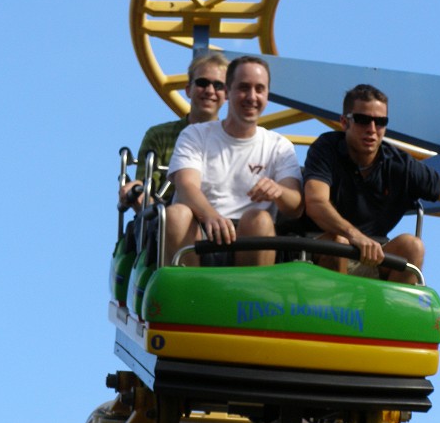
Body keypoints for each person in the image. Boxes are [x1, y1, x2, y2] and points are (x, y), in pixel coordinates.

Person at [303, 84, 440, 305]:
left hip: (373, 255)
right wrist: (355, 236)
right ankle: (338, 316)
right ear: (345, 122)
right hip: (322, 255)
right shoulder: (326, 148)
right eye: (363, 120)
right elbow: (315, 201)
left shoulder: (399, 165)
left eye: (380, 122)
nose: (372, 128)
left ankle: (387, 316)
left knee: (413, 246)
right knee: (339, 243)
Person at [165, 55, 304, 266]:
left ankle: (251, 294)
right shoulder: (196, 134)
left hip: (250, 237)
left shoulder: (278, 145)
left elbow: (295, 205)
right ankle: (188, 290)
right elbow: (186, 185)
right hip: (201, 231)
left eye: (259, 89)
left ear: (267, 95)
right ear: (228, 92)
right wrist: (211, 216)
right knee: (176, 214)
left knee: (259, 219)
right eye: (244, 88)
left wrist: (280, 191)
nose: (251, 96)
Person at [119, 52, 229, 211]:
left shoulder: (232, 139)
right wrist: (137, 188)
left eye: (218, 85)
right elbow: (145, 188)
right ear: (188, 90)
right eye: (202, 83)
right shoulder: (160, 135)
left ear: (226, 94)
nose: (210, 90)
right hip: (172, 218)